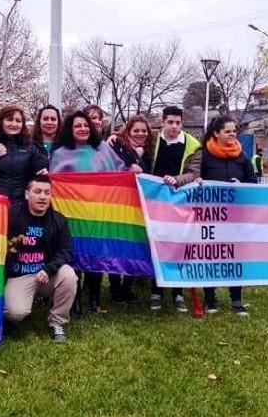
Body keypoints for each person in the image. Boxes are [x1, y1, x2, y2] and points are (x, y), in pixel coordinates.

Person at [50, 110, 127, 314]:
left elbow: (119, 170)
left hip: (98, 212)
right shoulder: (60, 153)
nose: (83, 129)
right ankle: (74, 300)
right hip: (72, 214)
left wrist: (132, 172)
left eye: (85, 125)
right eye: (78, 126)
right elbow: (54, 181)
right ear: (70, 129)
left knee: (96, 252)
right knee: (74, 253)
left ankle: (94, 298)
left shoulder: (103, 149)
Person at [3, 175, 78, 342]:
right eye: (37, 192)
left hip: (46, 275)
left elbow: (66, 252)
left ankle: (57, 322)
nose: (43, 197)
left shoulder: (59, 220)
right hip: (19, 276)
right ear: (27, 194)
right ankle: (11, 316)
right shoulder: (11, 215)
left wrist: (48, 269)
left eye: (47, 192)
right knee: (15, 313)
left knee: (69, 275)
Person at [199, 116, 258, 316]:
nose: (233, 134)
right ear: (216, 133)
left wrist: (242, 186)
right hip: (211, 215)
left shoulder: (242, 156)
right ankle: (210, 299)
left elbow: (253, 181)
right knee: (210, 256)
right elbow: (195, 178)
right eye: (228, 131)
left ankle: (236, 299)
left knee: (235, 255)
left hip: (236, 216)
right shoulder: (204, 155)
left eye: (234, 131)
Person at [148, 106, 201, 313]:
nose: (174, 126)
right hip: (153, 202)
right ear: (162, 122)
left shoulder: (193, 145)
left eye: (178, 123)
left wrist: (177, 180)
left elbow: (194, 173)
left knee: (178, 245)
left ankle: (178, 291)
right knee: (156, 244)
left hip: (179, 202)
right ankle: (156, 290)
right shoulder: (152, 140)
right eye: (170, 122)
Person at [106, 114, 153, 304]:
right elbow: (110, 169)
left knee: (135, 246)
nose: (140, 134)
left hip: (139, 205)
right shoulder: (117, 146)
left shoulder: (150, 151)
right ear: (128, 131)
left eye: (144, 131)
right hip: (118, 203)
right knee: (117, 245)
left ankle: (128, 287)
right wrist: (128, 170)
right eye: (136, 130)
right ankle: (115, 287)